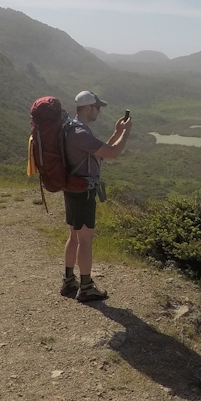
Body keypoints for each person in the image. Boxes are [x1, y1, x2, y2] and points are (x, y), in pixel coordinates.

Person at [60, 90, 131, 302]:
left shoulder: (70, 129)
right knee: (85, 240)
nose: (98, 111)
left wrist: (116, 132)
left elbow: (100, 152)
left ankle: (68, 280)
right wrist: (127, 132)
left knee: (74, 236)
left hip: (72, 187)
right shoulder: (80, 133)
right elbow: (113, 153)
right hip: (83, 192)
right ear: (89, 108)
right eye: (97, 107)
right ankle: (86, 286)